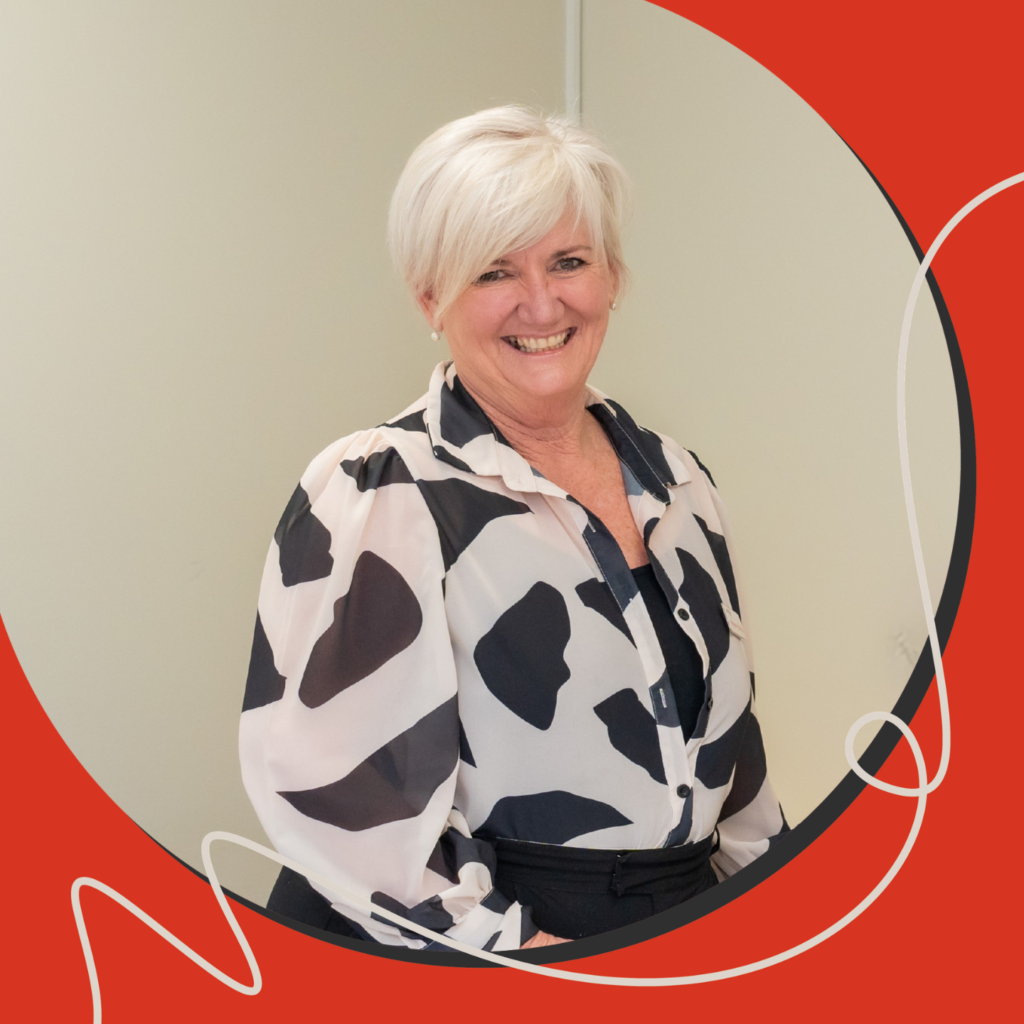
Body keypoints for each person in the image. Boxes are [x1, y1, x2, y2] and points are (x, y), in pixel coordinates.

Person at [239, 106, 787, 953]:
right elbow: (342, 805)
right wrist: (521, 961)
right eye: (494, 272)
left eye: (569, 261)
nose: (542, 302)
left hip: (673, 927)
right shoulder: (382, 487)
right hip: (479, 943)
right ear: (431, 296)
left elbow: (733, 758)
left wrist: (780, 916)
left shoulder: (678, 481)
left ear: (612, 278)